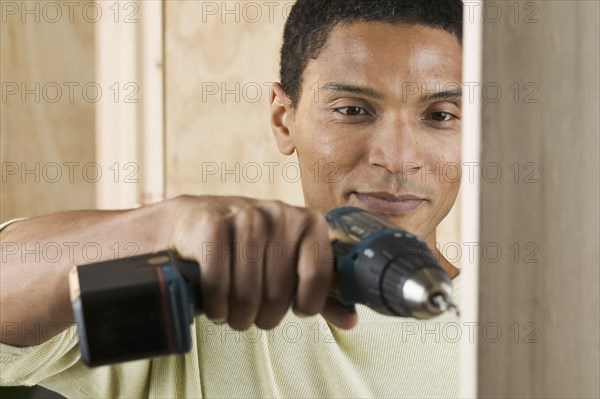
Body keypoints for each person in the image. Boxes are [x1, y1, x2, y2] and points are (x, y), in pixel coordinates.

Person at [0, 0, 464, 397]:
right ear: (284, 120)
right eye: (353, 110)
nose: (398, 158)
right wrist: (160, 226)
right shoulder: (192, 295)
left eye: (440, 115)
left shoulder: (521, 333)